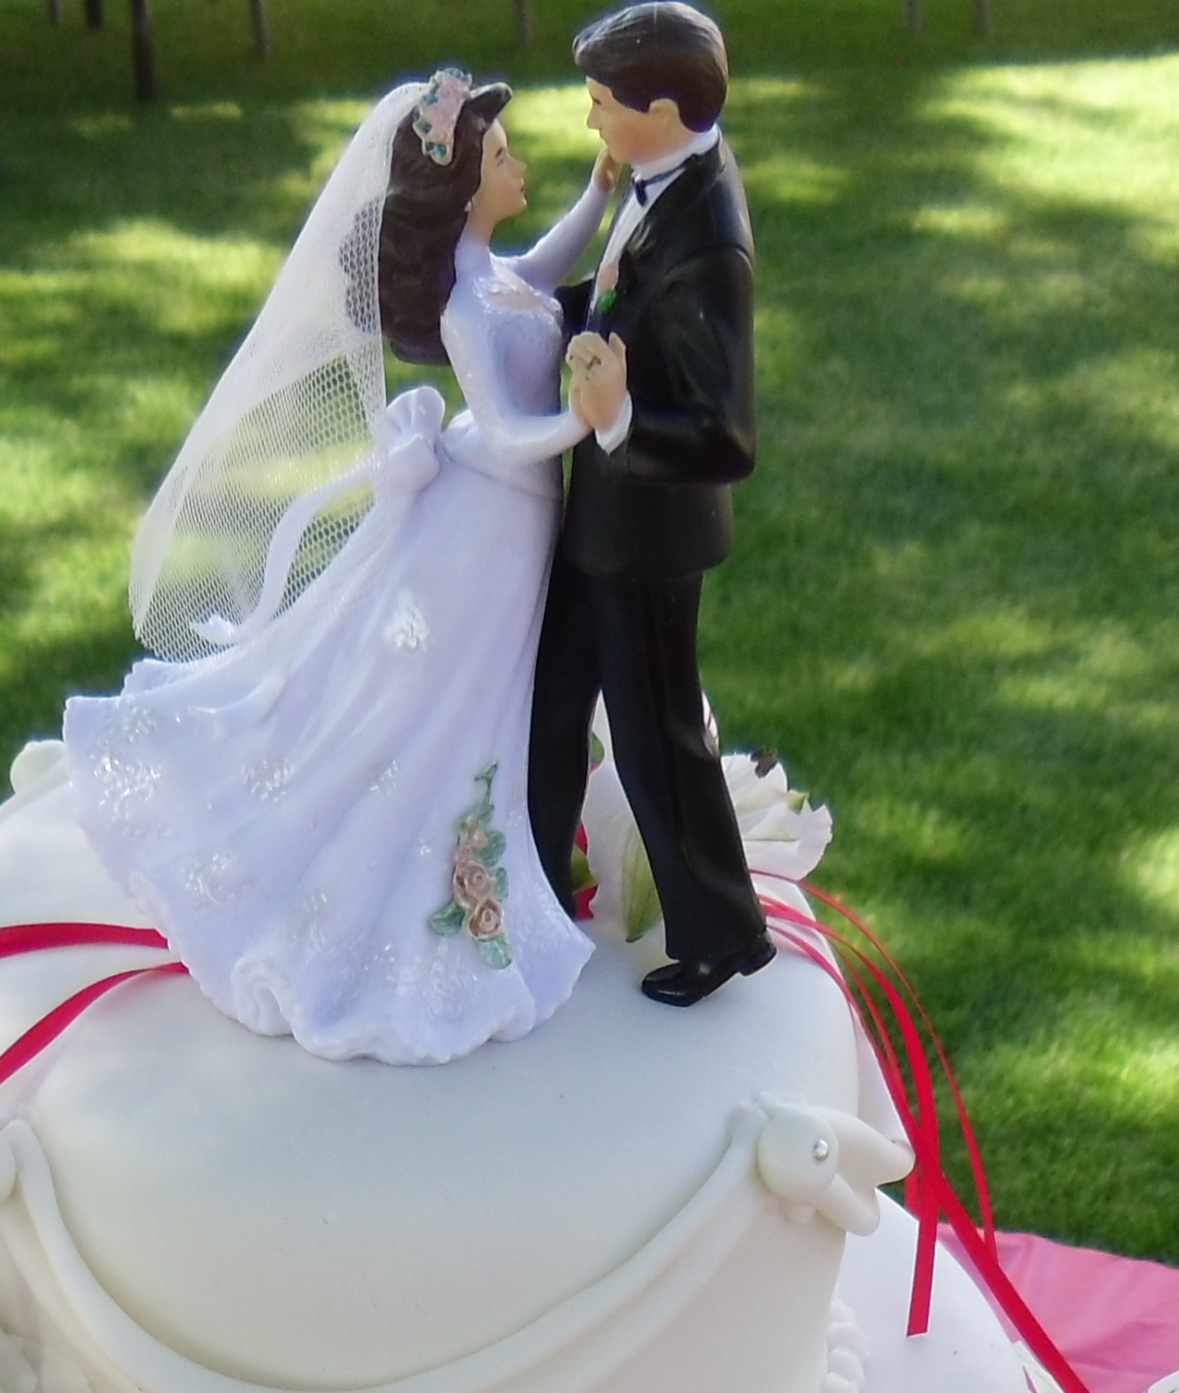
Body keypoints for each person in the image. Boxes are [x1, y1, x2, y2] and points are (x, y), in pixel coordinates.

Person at [63, 71, 610, 1063]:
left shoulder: (498, 277)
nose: (518, 166)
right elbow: (504, 429)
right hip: (487, 522)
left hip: (511, 527)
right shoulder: (465, 309)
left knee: (475, 698)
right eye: (500, 158)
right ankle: (375, 873)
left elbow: (543, 267)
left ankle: (461, 861)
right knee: (435, 702)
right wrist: (585, 418)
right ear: (462, 189)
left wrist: (598, 194)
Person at [529, 0, 768, 1006]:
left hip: (651, 535)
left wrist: (619, 417)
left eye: (601, 101)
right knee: (546, 703)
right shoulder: (660, 179)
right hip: (602, 521)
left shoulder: (711, 241)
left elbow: (725, 436)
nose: (590, 119)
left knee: (654, 737)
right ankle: (531, 892)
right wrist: (536, 314)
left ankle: (720, 933)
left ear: (661, 112)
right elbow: (622, 296)